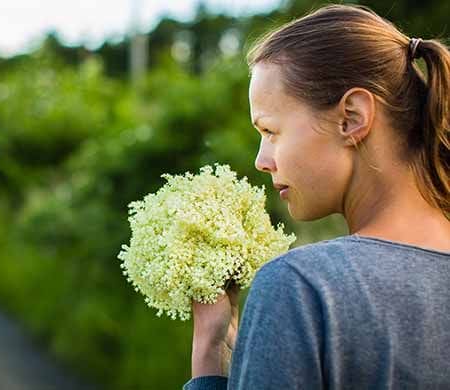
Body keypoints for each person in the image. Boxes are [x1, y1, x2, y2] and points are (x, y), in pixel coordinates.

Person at [183, 4, 450, 389]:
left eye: (271, 131)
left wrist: (209, 360)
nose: (262, 160)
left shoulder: (302, 288)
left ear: (352, 117)